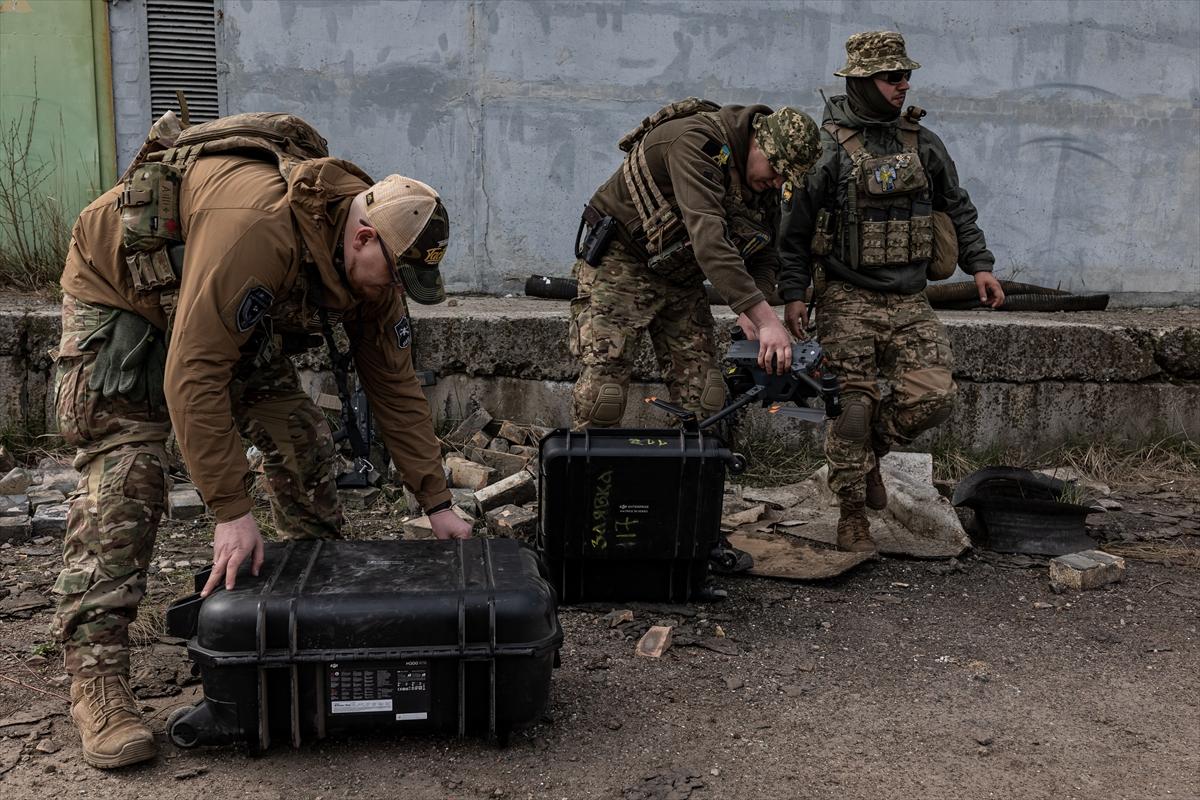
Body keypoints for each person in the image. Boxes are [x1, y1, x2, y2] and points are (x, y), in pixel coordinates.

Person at [51, 136, 471, 768]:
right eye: (400, 276)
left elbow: (395, 382)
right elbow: (192, 373)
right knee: (129, 474)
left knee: (299, 436)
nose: (397, 290)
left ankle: (312, 616)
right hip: (126, 297)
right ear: (363, 238)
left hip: (220, 305)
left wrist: (436, 501)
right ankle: (98, 678)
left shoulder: (374, 256)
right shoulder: (260, 230)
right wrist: (229, 510)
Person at [778, 31, 1005, 552]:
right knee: (852, 408)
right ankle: (852, 512)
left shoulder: (922, 142)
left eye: (906, 76)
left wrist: (981, 266)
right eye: (891, 77)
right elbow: (793, 232)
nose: (903, 85)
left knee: (936, 398)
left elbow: (957, 205)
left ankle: (870, 455)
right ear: (861, 81)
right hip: (845, 296)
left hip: (908, 297)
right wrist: (794, 295)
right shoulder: (827, 149)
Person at [569, 101, 821, 429]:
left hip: (681, 276)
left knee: (706, 399)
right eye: (777, 171)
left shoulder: (761, 179)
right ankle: (592, 476)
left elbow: (765, 253)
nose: (778, 182)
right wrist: (766, 321)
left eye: (786, 177)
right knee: (605, 394)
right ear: (758, 143)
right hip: (622, 264)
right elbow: (710, 242)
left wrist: (751, 306)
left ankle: (687, 475)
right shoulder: (695, 143)